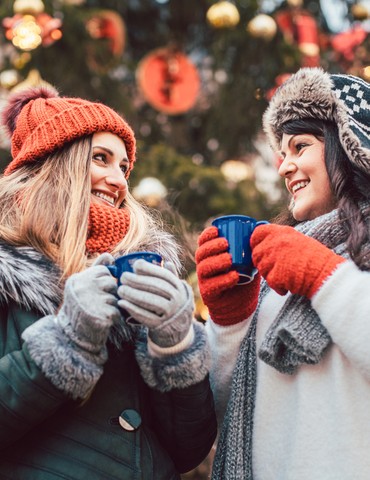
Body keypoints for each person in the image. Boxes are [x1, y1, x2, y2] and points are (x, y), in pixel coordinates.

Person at [0, 86, 217, 479]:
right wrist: (67, 342)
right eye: (100, 158)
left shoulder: (146, 273)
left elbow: (189, 448)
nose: (118, 180)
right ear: (55, 163)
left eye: (123, 167)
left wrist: (176, 345)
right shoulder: (7, 271)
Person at [195, 67, 370, 480]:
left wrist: (324, 277)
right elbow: (232, 408)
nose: (284, 167)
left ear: (348, 146)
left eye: (300, 146)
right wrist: (231, 320)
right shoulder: (281, 275)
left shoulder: (312, 269)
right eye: (282, 153)